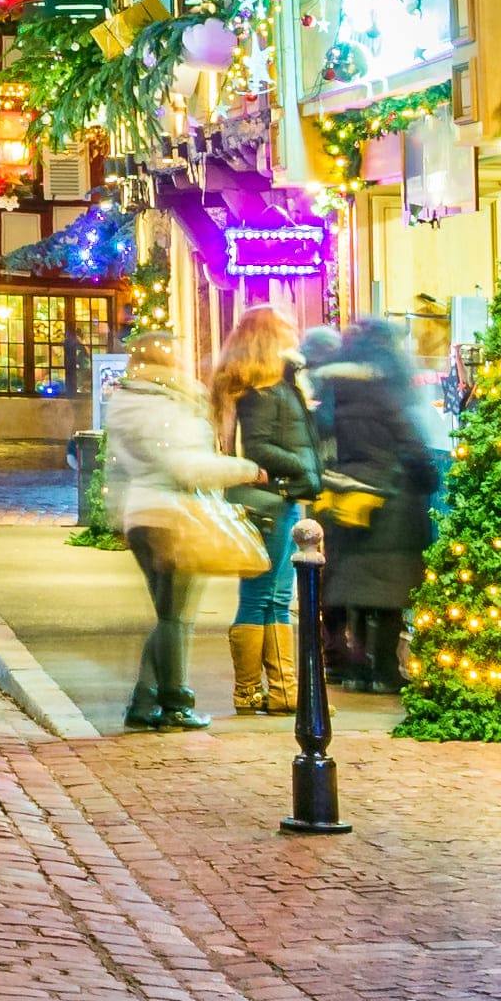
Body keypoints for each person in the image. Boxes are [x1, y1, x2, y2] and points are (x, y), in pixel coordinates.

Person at [96, 337, 258, 732]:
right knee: (176, 619)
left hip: (141, 515)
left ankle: (145, 700)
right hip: (174, 518)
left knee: (168, 616)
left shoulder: (128, 401)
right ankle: (175, 703)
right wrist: (246, 470)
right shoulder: (168, 406)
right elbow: (188, 467)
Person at [307, 316, 443, 694]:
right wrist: (428, 477)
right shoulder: (387, 389)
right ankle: (383, 668)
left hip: (347, 497)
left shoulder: (335, 390)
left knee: (356, 588)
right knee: (387, 592)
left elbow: (319, 435)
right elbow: (410, 442)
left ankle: (354, 666)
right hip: (389, 498)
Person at [213, 308, 327, 718]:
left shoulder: (274, 383)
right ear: (267, 338)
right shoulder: (260, 390)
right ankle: (254, 691)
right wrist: (302, 466)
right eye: (286, 329)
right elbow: (259, 447)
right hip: (268, 501)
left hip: (280, 499)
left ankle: (280, 692)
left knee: (277, 596)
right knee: (263, 595)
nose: (295, 334)